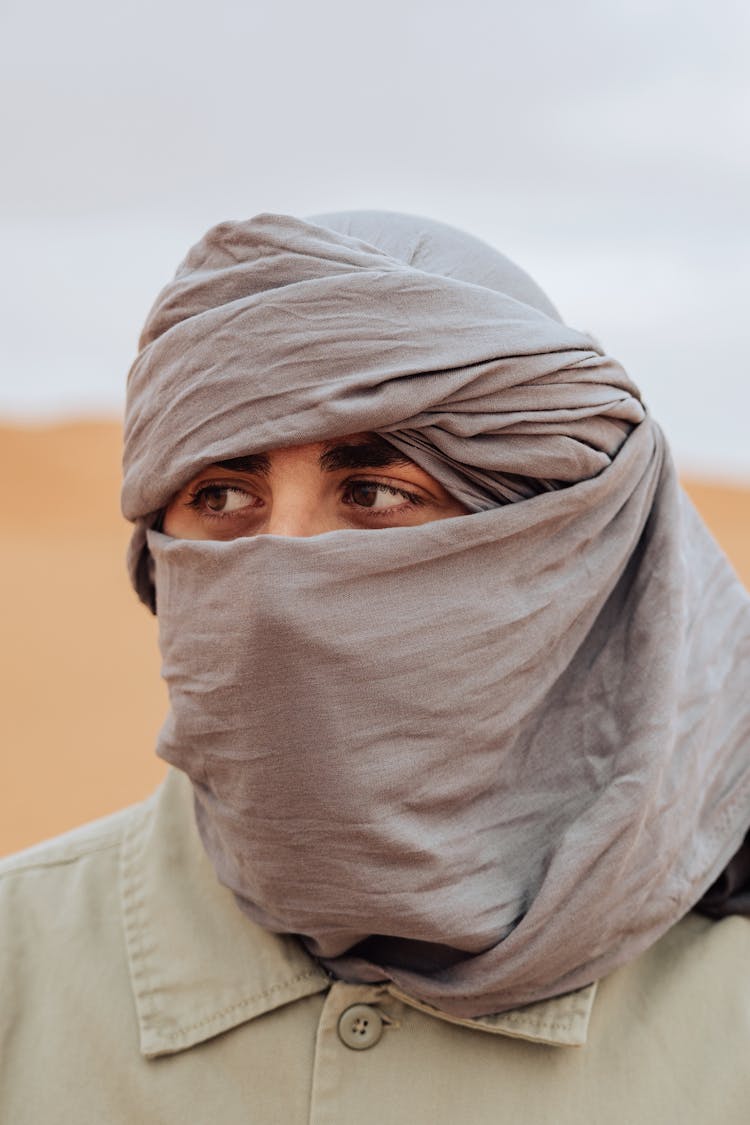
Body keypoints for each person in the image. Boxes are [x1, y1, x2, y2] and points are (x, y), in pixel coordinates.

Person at [1, 210, 749, 1123]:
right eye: (223, 495)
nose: (280, 574)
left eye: (377, 494)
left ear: (556, 551)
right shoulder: (19, 964)